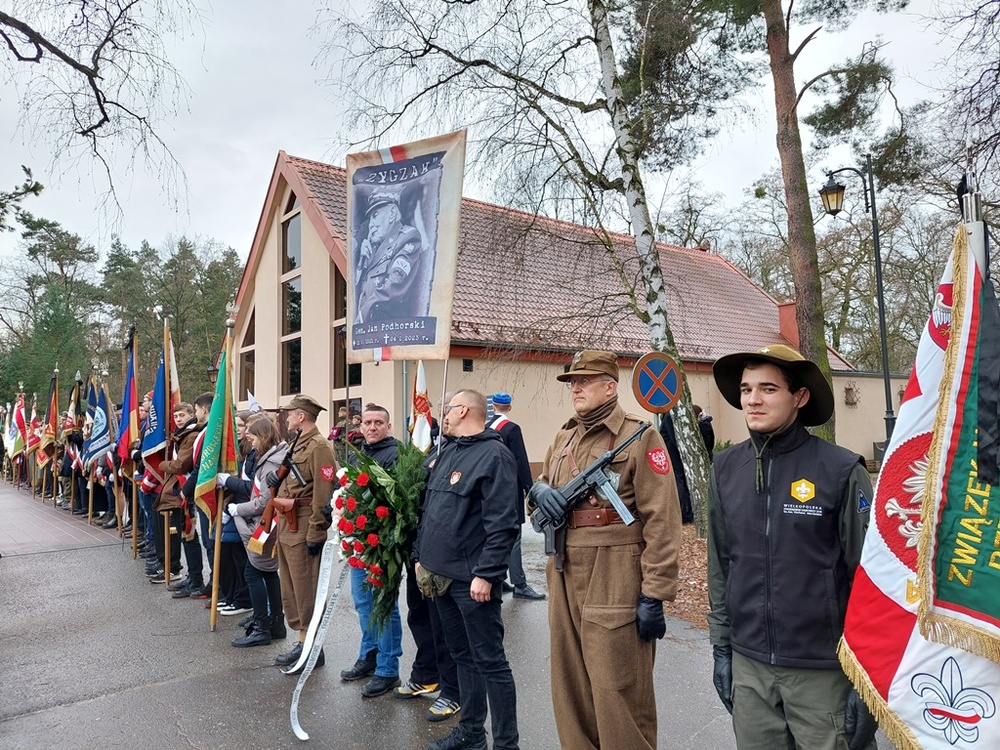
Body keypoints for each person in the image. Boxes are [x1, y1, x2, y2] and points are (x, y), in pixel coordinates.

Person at [707, 344, 877, 750]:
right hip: (750, 670)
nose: (752, 399)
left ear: (799, 397)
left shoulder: (840, 470)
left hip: (824, 672)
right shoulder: (726, 468)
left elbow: (869, 581)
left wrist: (869, 679)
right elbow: (721, 564)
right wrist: (722, 648)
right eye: (747, 389)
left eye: (768, 389)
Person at [531, 349, 682, 750]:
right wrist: (540, 490)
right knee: (571, 688)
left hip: (615, 574)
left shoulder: (641, 436)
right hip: (562, 569)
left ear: (610, 386)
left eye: (584, 381)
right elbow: (541, 490)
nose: (575, 388)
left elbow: (663, 520)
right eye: (572, 382)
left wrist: (655, 592)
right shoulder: (564, 438)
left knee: (617, 689)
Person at [414, 389, 520, 750]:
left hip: (472, 581)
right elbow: (431, 511)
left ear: (464, 410)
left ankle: (507, 744)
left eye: (448, 409)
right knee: (462, 658)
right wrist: (419, 557)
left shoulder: (495, 456)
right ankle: (472, 734)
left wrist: (487, 574)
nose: (443, 415)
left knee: (491, 663)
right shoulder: (447, 452)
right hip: (439, 577)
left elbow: (504, 524)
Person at [269, 394, 338, 674]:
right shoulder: (298, 443)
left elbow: (323, 492)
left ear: (301, 416)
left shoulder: (320, 446)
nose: (286, 418)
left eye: (290, 414)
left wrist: (316, 531)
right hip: (287, 523)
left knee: (306, 586)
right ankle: (302, 639)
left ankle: (312, 647)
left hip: (304, 524)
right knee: (291, 588)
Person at [339, 403, 404, 698]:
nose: (372, 427)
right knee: (363, 604)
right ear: (360, 426)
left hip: (383, 546)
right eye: (367, 422)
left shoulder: (396, 454)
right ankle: (370, 656)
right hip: (359, 543)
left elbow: (399, 503)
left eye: (379, 422)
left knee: (383, 607)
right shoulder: (357, 454)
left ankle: (388, 669)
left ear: (388, 427)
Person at [227, 413, 288, 647]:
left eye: (252, 436)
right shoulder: (272, 457)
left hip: (266, 522)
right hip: (269, 521)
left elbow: (263, 501)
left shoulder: (271, 462)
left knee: (254, 573)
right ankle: (275, 624)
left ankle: (262, 627)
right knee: (269, 574)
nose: (250, 441)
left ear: (263, 436)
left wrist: (237, 509)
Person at [487, 392, 544, 600]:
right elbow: (520, 460)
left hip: (489, 489)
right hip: (509, 489)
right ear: (509, 407)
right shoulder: (512, 429)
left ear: (493, 406)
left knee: (492, 534)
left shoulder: (485, 428)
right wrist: (530, 490)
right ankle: (520, 584)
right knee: (514, 537)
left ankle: (498, 579)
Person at [354, 189, 425, 323]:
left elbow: (395, 282)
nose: (371, 225)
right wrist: (361, 265)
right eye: (369, 220)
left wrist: (362, 315)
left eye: (375, 215)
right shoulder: (374, 249)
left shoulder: (408, 238)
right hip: (370, 334)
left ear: (392, 213)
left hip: (393, 333)